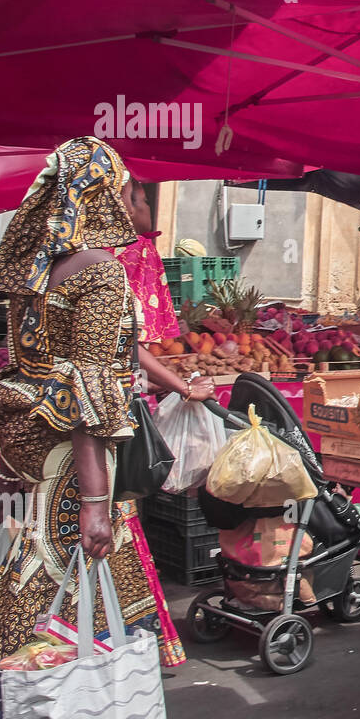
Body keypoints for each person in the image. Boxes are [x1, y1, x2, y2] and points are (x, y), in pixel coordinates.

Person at [0, 138, 166, 719]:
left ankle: (13, 714)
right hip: (75, 466)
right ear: (99, 196)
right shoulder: (101, 272)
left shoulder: (32, 278)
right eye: (126, 188)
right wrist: (96, 503)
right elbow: (88, 396)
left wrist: (6, 476)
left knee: (34, 585)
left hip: (32, 451)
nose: (132, 199)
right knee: (48, 596)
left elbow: (30, 377)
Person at [114, 179, 215, 669]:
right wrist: (179, 386)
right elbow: (128, 343)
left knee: (110, 517)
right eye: (141, 197)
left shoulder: (68, 256)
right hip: (110, 414)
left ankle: (101, 637)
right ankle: (123, 641)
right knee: (114, 518)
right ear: (124, 205)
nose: (149, 206)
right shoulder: (122, 258)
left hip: (85, 414)